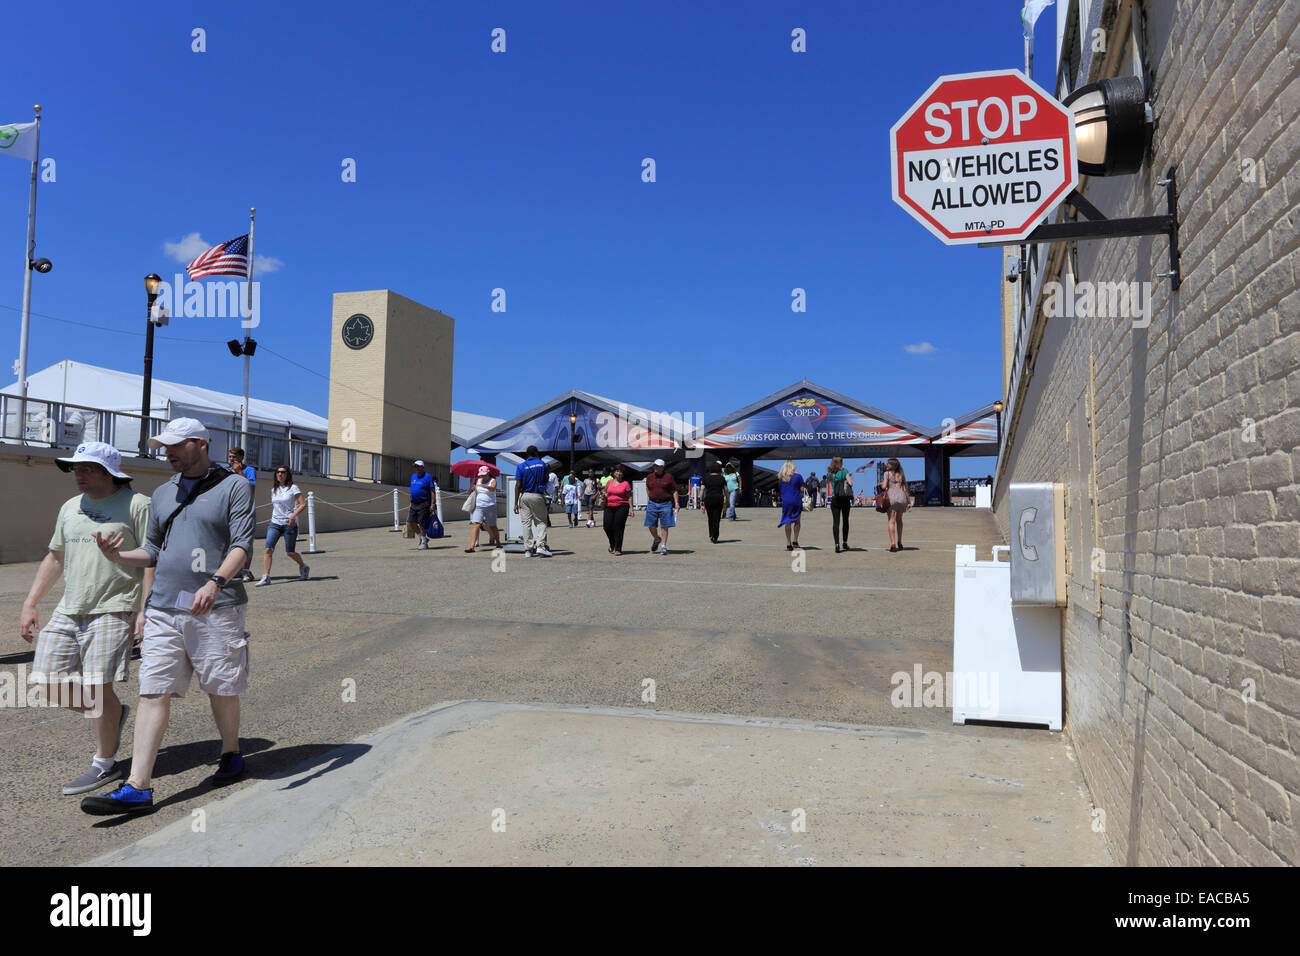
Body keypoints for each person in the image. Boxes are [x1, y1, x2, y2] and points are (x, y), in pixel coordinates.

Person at [82, 418, 256, 815]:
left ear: (200, 443)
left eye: (176, 446)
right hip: (164, 607)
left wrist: (214, 583)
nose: (169, 453)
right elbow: (153, 552)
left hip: (218, 606)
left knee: (221, 687)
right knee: (153, 691)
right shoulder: (162, 493)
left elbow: (242, 545)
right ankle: (138, 787)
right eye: (164, 447)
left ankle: (230, 751)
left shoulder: (235, 486)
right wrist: (118, 557)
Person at [19, 442, 153, 795]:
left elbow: (153, 558)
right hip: (69, 607)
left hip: (114, 606)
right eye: (75, 468)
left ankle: (103, 764)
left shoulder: (138, 505)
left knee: (97, 687)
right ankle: (112, 715)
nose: (78, 474)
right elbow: (54, 558)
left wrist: (144, 610)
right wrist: (31, 603)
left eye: (87, 468)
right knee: (45, 681)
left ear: (109, 472)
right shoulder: (70, 507)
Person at [255, 466, 308, 584]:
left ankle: (303, 566)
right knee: (268, 549)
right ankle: (266, 576)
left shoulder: (293, 488)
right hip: (275, 523)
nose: (280, 474)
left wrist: (293, 516)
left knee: (290, 552)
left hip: (289, 524)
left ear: (287, 474)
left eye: (283, 472)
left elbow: (303, 504)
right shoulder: (274, 489)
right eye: (278, 472)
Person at [513, 446, 552, 557]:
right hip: (537, 495)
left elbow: (518, 485)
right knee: (541, 522)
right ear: (536, 453)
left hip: (524, 497)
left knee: (526, 523)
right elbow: (545, 480)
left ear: (527, 454)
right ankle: (540, 546)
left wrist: (515, 503)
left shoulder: (521, 466)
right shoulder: (542, 464)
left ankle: (528, 550)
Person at [228, 448, 257, 581]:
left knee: (246, 541)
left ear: (241, 457)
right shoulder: (225, 471)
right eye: (229, 456)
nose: (231, 459)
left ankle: (245, 570)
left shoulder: (249, 470)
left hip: (245, 510)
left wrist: (239, 472)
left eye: (233, 456)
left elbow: (250, 488)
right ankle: (232, 570)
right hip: (229, 510)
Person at [643, 459, 679, 554]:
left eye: (658, 466)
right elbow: (647, 487)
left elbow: (674, 490)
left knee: (665, 525)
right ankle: (656, 538)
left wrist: (676, 503)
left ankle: (663, 546)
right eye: (655, 466)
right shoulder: (650, 476)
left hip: (665, 503)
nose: (656, 468)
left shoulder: (669, 477)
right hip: (652, 503)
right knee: (650, 525)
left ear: (663, 467)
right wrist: (650, 495)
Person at [465, 466, 500, 552]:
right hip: (479, 506)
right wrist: (472, 487)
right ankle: (471, 546)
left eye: (484, 475)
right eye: (481, 475)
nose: (482, 477)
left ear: (488, 473)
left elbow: (493, 488)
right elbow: (469, 492)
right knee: (475, 524)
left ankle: (498, 543)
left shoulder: (493, 480)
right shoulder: (477, 480)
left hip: (490, 506)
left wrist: (484, 486)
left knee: (492, 526)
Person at [602, 464, 632, 555]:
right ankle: (612, 543)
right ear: (614, 473)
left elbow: (629, 497)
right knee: (607, 526)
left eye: (620, 472)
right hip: (609, 506)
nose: (619, 473)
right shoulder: (609, 483)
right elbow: (605, 493)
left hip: (622, 506)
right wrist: (604, 496)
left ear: (623, 474)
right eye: (617, 471)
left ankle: (618, 548)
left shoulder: (625, 484)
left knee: (618, 527)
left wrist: (631, 509)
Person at [826, 456, 854, 553]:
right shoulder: (844, 471)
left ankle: (836, 544)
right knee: (845, 521)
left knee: (836, 522)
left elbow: (828, 482)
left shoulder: (830, 473)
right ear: (840, 463)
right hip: (845, 498)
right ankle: (845, 542)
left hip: (835, 498)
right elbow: (851, 483)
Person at [884, 457, 912, 552]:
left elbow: (884, 486)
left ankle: (893, 544)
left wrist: (881, 484)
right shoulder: (901, 475)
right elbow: (905, 490)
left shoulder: (887, 474)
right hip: (901, 497)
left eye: (888, 464)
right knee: (899, 520)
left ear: (892, 465)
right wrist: (909, 502)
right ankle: (900, 542)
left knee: (891, 521)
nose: (886, 465)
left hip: (891, 497)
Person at [777, 458, 804, 550]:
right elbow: (801, 489)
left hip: (786, 501)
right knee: (797, 521)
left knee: (787, 521)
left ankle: (788, 543)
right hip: (796, 500)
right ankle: (795, 541)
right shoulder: (798, 476)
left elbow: (781, 489)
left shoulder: (781, 478)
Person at [408, 460, 435, 550]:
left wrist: (432, 504)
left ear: (422, 467)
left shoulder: (428, 477)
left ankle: (424, 543)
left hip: (424, 503)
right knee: (411, 522)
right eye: (415, 466)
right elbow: (412, 490)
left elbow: (432, 491)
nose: (417, 468)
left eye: (418, 466)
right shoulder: (413, 476)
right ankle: (422, 538)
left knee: (421, 522)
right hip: (414, 503)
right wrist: (410, 502)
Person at [701, 460, 727, 543]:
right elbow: (726, 490)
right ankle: (715, 536)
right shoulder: (722, 478)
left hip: (708, 499)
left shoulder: (706, 478)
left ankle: (711, 534)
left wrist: (701, 499)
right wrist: (728, 500)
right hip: (718, 499)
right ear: (719, 470)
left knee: (710, 518)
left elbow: (702, 489)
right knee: (717, 519)